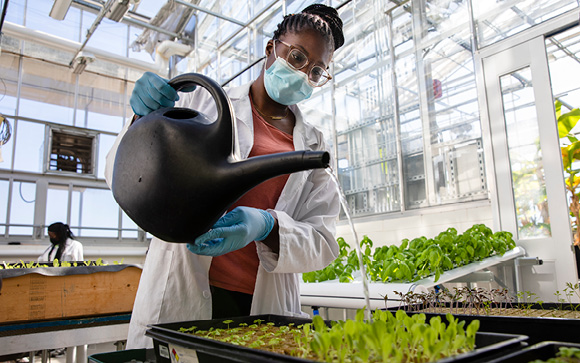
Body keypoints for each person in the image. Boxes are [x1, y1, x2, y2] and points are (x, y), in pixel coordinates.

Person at [105, 4, 343, 349]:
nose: (305, 73)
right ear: (270, 49)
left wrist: (267, 225)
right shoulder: (205, 101)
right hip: (182, 290)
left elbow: (323, 241)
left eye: (317, 70)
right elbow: (126, 171)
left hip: (262, 304)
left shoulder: (315, 145)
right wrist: (140, 118)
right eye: (296, 57)